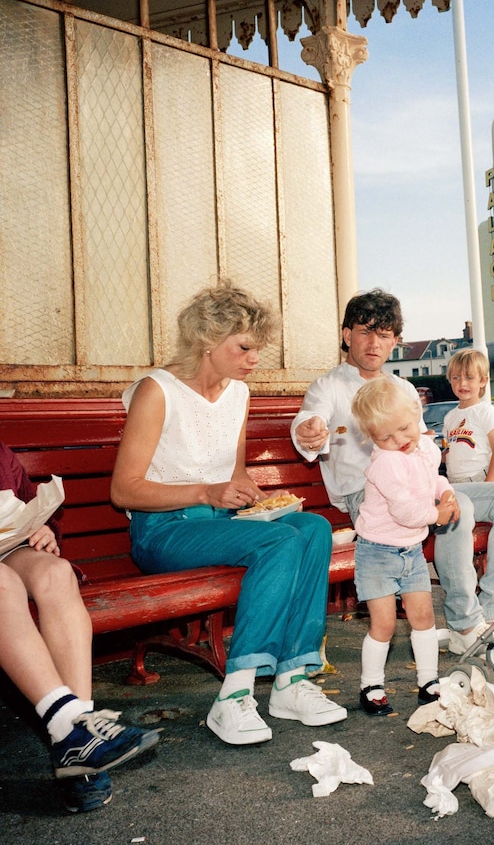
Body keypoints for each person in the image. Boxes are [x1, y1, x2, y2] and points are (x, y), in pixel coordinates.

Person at [110, 281, 346, 746]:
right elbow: (124, 490)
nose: (254, 359)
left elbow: (231, 477)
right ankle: (233, 696)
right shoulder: (157, 391)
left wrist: (245, 494)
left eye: (257, 348)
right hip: (164, 532)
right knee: (280, 541)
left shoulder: (238, 394)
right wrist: (208, 491)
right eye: (244, 347)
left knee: (313, 527)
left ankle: (291, 682)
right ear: (206, 341)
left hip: (220, 525)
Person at [291, 290, 494, 655]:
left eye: (384, 335)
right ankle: (465, 623)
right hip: (369, 496)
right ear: (346, 335)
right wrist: (308, 431)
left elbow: (420, 449)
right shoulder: (329, 387)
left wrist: (441, 485)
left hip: (420, 487)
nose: (374, 343)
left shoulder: (402, 388)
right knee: (459, 510)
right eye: (364, 332)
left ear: (395, 341)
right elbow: (310, 421)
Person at [1, 441, 158, 813]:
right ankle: (72, 732)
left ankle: (77, 741)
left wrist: (42, 529)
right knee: (2, 585)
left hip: (8, 549)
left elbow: (25, 504)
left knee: (56, 573)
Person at [350, 378, 454, 716]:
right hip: (377, 552)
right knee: (384, 624)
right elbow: (406, 511)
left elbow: (429, 478)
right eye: (385, 437)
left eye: (404, 429)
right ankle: (371, 684)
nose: (398, 441)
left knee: (423, 616)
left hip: (410, 550)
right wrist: (438, 515)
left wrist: (445, 491)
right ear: (371, 438)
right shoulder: (385, 462)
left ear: (416, 412)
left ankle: (428, 681)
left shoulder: (422, 447)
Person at [443, 349, 494, 483]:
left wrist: (490, 482)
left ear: (483, 381)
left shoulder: (486, 411)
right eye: (456, 377)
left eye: (469, 377)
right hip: (453, 480)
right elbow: (450, 450)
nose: (462, 383)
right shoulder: (450, 417)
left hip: (478, 478)